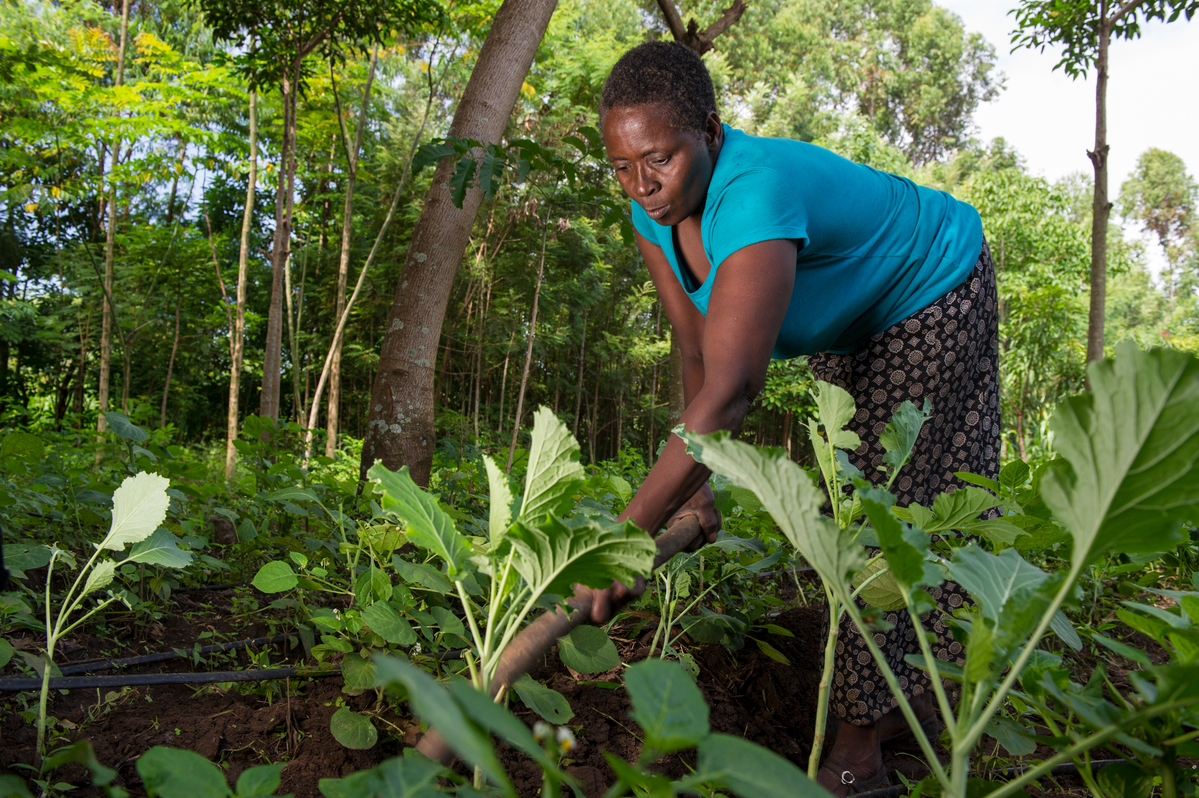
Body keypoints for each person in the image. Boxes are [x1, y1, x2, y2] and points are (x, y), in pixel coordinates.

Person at [581, 40, 1000, 795]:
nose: (640, 184)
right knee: (853, 505)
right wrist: (691, 492)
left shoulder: (755, 190)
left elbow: (735, 389)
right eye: (620, 165)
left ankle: (860, 749)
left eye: (660, 159)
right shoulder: (653, 213)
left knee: (886, 521)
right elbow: (697, 349)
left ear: (709, 130)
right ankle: (899, 695)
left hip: (934, 286)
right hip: (854, 322)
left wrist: (621, 541)